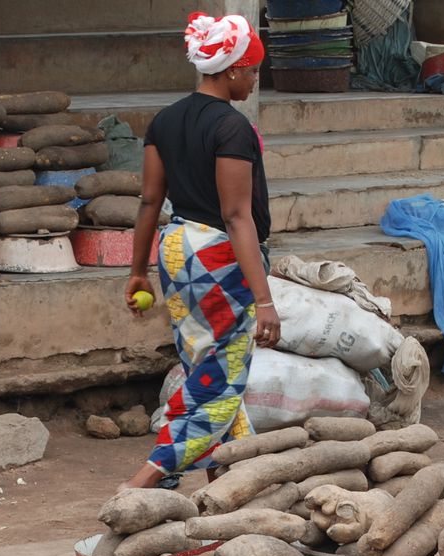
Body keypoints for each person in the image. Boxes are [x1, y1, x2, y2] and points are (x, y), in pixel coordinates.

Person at [121, 12, 281, 490]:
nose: (255, 80)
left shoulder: (164, 121)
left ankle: (228, 480)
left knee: (206, 369)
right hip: (218, 256)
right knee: (220, 381)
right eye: (252, 70)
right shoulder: (231, 129)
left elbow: (151, 200)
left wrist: (137, 272)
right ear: (232, 69)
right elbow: (237, 216)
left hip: (175, 249)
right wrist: (266, 299)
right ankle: (144, 480)